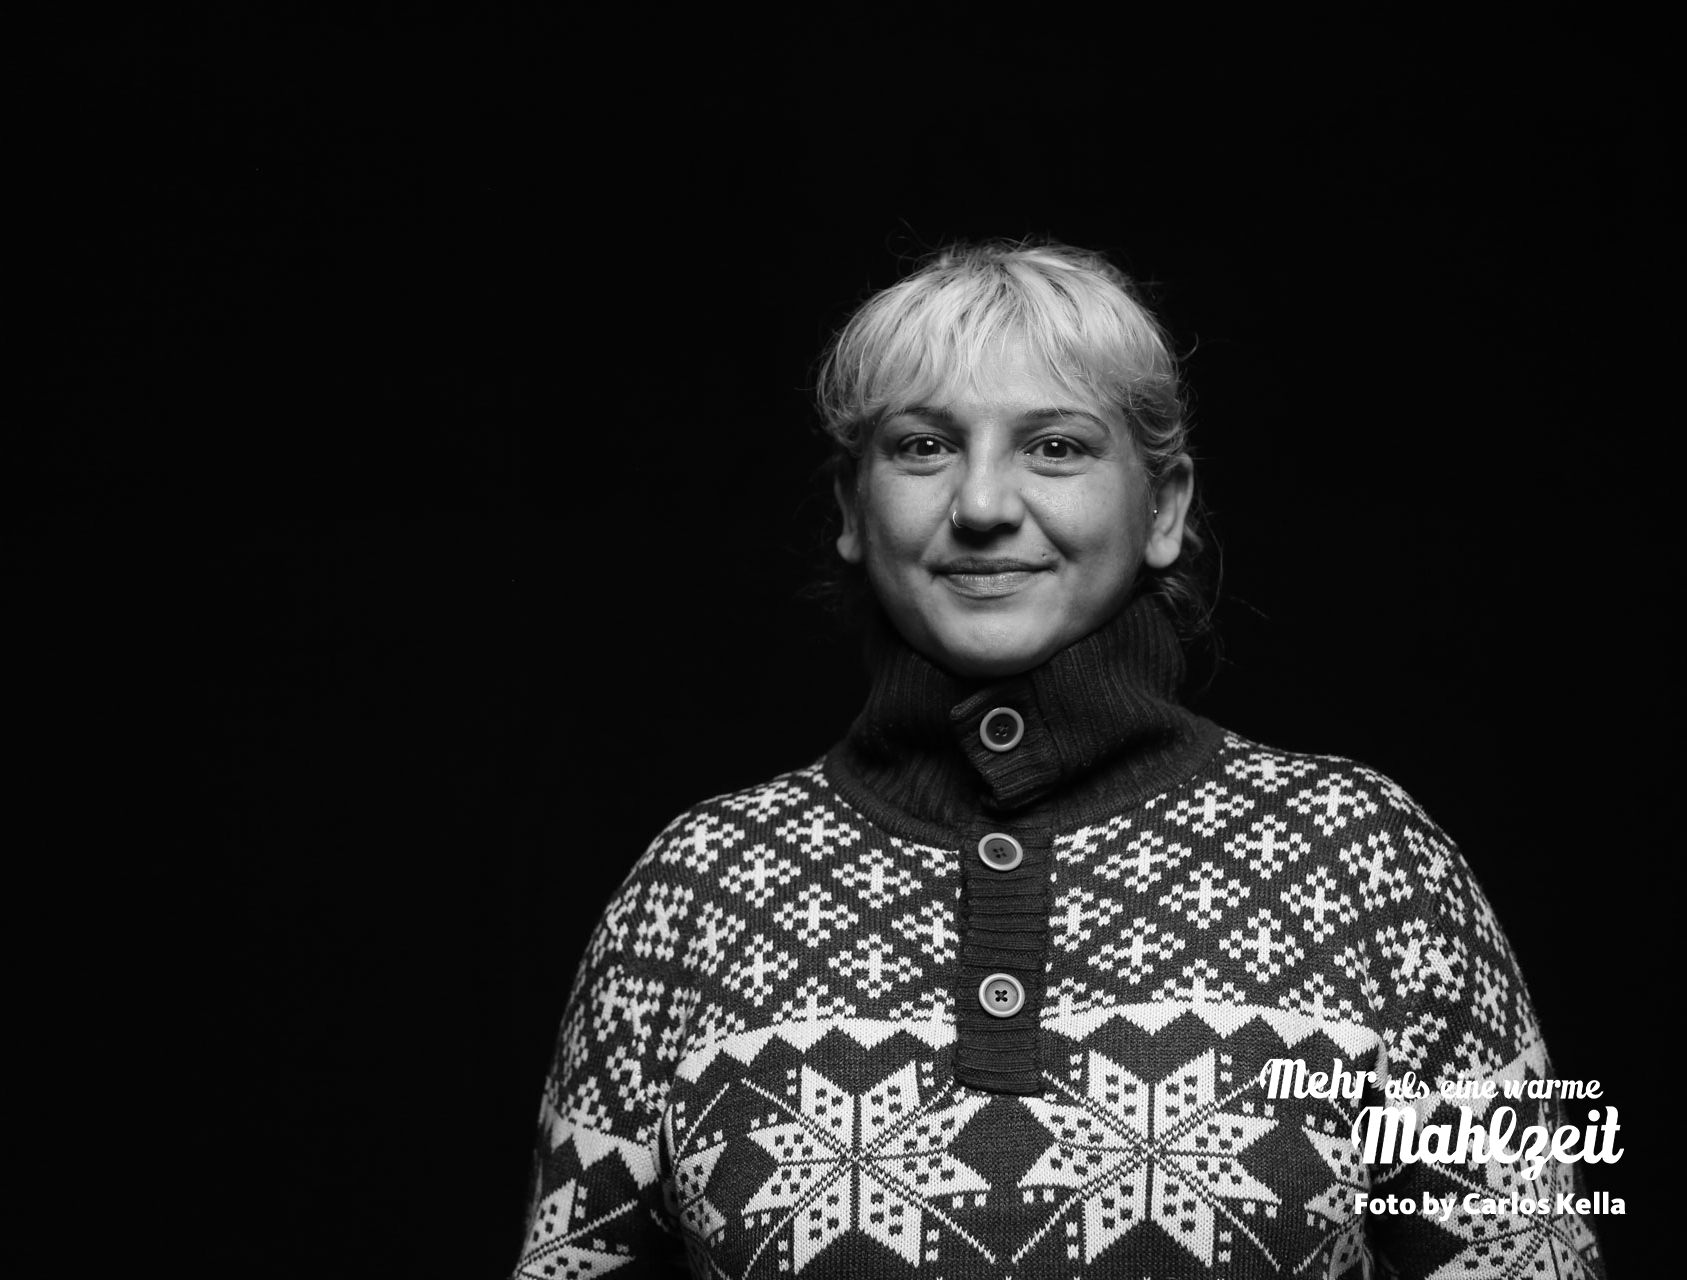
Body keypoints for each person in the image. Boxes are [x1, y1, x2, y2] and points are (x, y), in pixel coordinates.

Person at [512, 241, 1604, 1278]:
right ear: (852, 507)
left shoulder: (1370, 863)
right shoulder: (696, 890)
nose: (984, 506)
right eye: (923, 446)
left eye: (1057, 446)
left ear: (1164, 508)